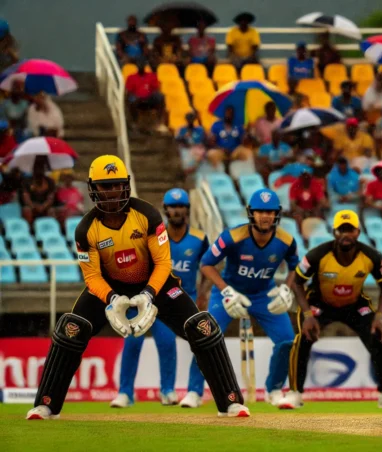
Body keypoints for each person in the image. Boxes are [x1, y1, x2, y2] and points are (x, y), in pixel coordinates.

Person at [26, 156, 249, 420]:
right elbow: (92, 277)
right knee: (70, 329)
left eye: (117, 185)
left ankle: (230, 402)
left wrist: (148, 294)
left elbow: (164, 263)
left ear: (126, 185)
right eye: (105, 186)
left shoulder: (147, 215)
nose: (112, 192)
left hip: (155, 283)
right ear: (93, 189)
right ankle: (46, 405)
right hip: (108, 288)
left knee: (203, 327)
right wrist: (112, 298)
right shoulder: (86, 229)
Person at [184, 188, 298, 409]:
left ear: (277, 214)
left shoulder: (286, 241)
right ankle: (193, 391)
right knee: (204, 337)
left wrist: (287, 289)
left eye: (270, 211)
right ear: (251, 213)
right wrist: (226, 291)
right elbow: (206, 264)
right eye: (260, 211)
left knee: (287, 341)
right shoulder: (232, 236)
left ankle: (274, 389)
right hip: (229, 292)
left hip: (264, 294)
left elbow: (295, 268)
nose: (265, 216)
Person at [280, 210, 382, 409]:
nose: (345, 235)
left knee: (380, 335)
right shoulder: (318, 254)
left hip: (354, 305)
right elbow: (298, 282)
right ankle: (295, 393)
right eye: (341, 230)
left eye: (350, 230)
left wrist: (380, 316)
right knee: (302, 338)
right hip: (319, 304)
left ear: (358, 232)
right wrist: (307, 314)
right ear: (334, 232)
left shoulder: (371, 256)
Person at [110, 188, 211, 408]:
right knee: (132, 341)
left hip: (178, 301)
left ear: (188, 210)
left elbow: (208, 266)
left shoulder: (199, 239)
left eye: (181, 207)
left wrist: (203, 293)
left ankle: (167, 390)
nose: (177, 211)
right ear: (165, 210)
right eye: (173, 207)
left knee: (166, 343)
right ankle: (125, 393)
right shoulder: (152, 236)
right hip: (148, 298)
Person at [124, 59, 165, 130]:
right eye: (139, 65)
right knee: (132, 99)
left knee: (160, 97)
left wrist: (149, 95)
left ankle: (159, 123)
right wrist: (136, 96)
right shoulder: (131, 77)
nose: (141, 67)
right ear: (137, 66)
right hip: (137, 99)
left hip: (149, 98)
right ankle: (134, 122)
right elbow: (129, 91)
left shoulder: (151, 76)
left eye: (142, 65)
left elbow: (155, 89)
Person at [21, 158, 57, 225]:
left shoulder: (50, 181)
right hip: (31, 206)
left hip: (45, 207)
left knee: (52, 211)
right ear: (33, 169)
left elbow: (50, 198)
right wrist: (34, 206)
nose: (39, 170)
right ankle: (29, 231)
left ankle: (51, 230)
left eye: (41, 168)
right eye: (36, 168)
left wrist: (43, 206)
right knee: (26, 210)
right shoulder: (27, 181)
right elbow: (26, 198)